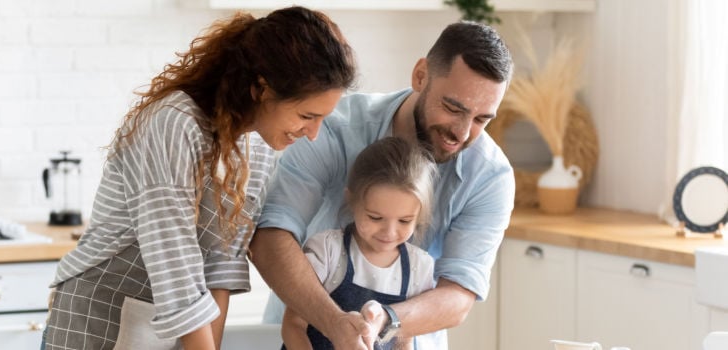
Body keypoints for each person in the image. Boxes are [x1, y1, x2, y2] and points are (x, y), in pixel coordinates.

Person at [41, 6, 356, 350]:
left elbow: (222, 263)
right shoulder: (174, 123)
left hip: (167, 330)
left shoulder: (258, 146)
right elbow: (174, 260)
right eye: (306, 116)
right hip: (96, 319)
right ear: (262, 89)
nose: (312, 134)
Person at [250, 20, 514, 350]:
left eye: (480, 120)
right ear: (421, 75)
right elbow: (271, 235)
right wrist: (335, 324)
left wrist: (384, 320)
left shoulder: (491, 176)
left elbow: (459, 294)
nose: (461, 133)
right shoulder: (333, 127)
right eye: (452, 108)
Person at [281, 137, 437, 350]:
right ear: (352, 201)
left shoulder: (420, 267)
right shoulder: (327, 251)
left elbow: (404, 339)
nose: (389, 232)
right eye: (375, 217)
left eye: (404, 221)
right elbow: (293, 325)